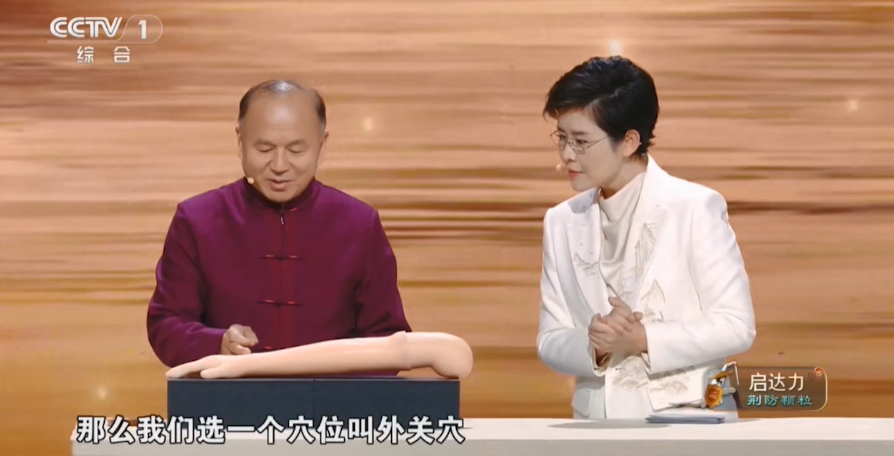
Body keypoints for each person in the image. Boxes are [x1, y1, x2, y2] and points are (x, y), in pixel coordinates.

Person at [535, 56, 756, 419]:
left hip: (685, 422)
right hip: (595, 429)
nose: (566, 155)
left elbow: (736, 325)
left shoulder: (694, 207)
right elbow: (549, 340)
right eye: (562, 138)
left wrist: (642, 340)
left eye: (581, 141)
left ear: (628, 141)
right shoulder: (561, 221)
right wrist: (595, 346)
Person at [146, 79, 412, 369]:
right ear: (240, 142)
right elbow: (166, 324)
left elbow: (387, 338)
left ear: (322, 146)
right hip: (227, 395)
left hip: (332, 397)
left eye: (296, 150)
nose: (280, 165)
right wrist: (217, 344)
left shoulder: (359, 225)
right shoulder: (197, 221)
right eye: (264, 149)